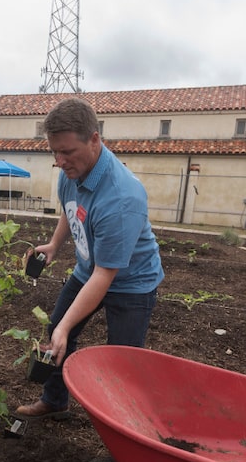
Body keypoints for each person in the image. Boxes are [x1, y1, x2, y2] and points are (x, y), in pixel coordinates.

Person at [15, 98, 165, 419]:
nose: (59, 160)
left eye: (67, 151)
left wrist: (67, 328)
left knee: (121, 359)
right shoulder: (71, 172)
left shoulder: (121, 198)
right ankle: (55, 401)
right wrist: (55, 244)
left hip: (132, 284)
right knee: (56, 327)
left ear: (94, 139)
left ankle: (122, 425)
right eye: (55, 151)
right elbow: (72, 210)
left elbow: (105, 275)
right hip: (89, 270)